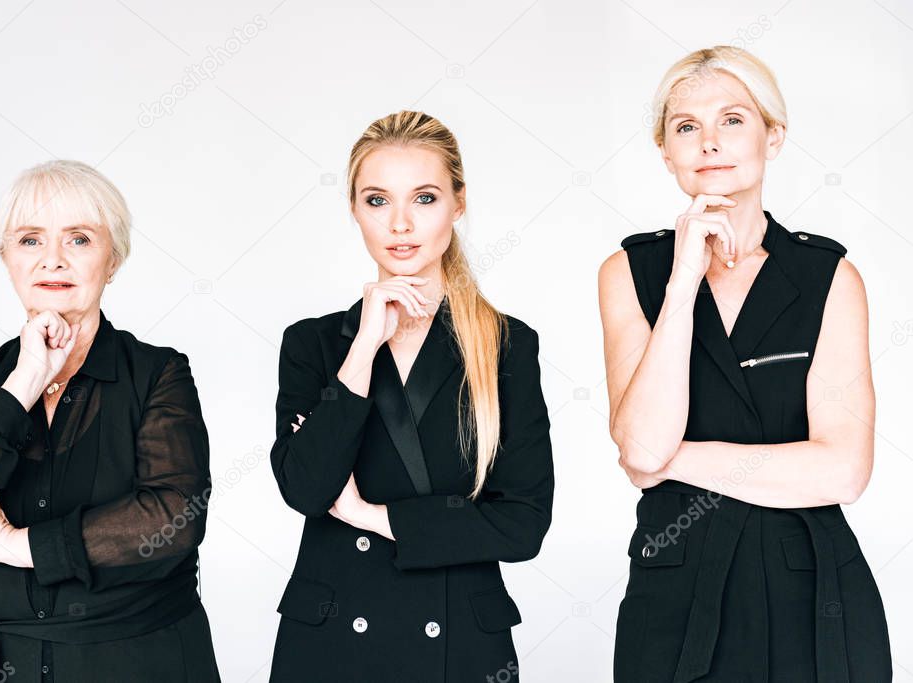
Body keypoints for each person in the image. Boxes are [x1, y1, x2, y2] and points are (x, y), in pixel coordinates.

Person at [599, 46, 891, 681]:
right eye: (686, 127)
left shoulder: (828, 277)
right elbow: (642, 443)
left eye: (732, 119)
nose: (710, 142)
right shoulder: (632, 273)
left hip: (811, 590)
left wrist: (673, 460)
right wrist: (682, 283)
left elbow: (842, 471)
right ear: (666, 152)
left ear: (773, 135)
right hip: (674, 590)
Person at [0, 160, 221, 682]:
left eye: (79, 239)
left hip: (135, 662)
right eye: (29, 240)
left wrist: (22, 547)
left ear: (113, 260)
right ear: (6, 259)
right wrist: (22, 382)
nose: (53, 261)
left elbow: (174, 516)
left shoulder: (159, 372)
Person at [268, 110, 554, 682]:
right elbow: (304, 489)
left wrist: (368, 515)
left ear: (458, 202)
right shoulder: (314, 344)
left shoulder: (507, 345)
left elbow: (523, 523)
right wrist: (365, 346)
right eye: (377, 201)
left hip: (460, 646)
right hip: (331, 643)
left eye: (424, 199)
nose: (400, 224)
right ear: (353, 209)